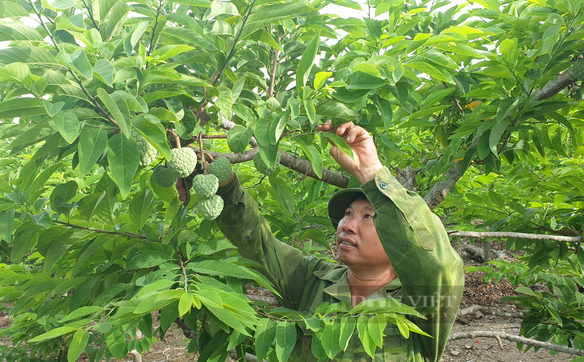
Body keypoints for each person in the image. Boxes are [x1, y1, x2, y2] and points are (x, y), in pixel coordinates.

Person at [177, 121, 464, 361]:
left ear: (396, 236)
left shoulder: (420, 302)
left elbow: (438, 265)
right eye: (347, 214)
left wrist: (372, 174)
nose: (348, 225)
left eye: (368, 217)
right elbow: (258, 243)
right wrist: (223, 184)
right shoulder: (311, 279)